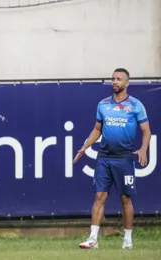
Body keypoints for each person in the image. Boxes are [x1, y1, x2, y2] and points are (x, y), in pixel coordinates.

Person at [73, 68, 151, 249]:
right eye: (113, 79)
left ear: (127, 83)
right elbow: (97, 129)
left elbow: (146, 131)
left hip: (124, 157)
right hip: (104, 157)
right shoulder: (103, 104)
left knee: (125, 198)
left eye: (119, 79)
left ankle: (128, 240)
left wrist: (143, 149)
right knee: (99, 195)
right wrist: (85, 146)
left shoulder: (136, 105)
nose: (114, 82)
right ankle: (93, 239)